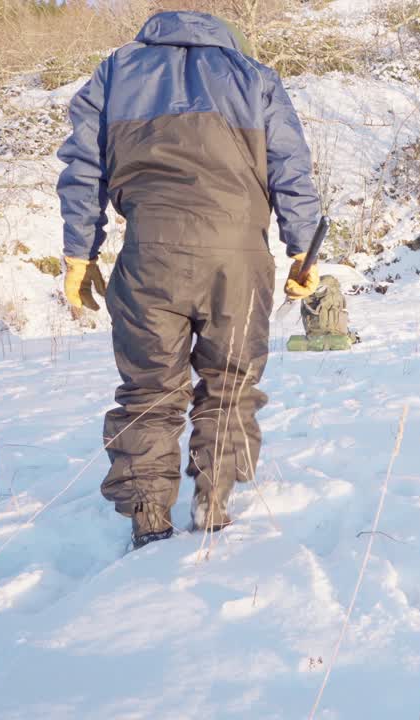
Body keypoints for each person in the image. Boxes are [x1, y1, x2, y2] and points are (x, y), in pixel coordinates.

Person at [56, 10, 321, 548]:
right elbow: (290, 166)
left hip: (150, 253)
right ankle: (212, 501)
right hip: (238, 258)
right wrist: (303, 247)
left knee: (150, 389)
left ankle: (149, 516)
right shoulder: (255, 77)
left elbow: (84, 167)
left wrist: (80, 253)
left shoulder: (115, 72)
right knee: (230, 383)